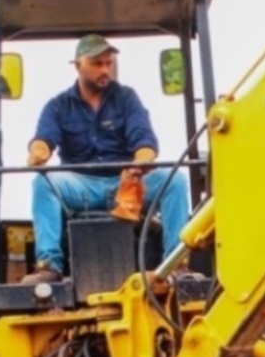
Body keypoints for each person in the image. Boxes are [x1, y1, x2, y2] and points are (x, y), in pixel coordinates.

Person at [25, 34, 191, 284]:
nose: (105, 69)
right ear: (78, 65)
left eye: (108, 63)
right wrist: (38, 151)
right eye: (97, 64)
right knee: (43, 182)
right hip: (81, 186)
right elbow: (44, 139)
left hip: (124, 181)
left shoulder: (126, 98)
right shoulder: (58, 106)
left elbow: (144, 140)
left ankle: (176, 266)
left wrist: (140, 163)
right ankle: (49, 267)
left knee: (175, 180)